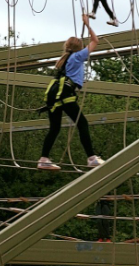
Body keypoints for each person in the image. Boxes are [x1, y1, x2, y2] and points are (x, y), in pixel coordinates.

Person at [38, 15, 105, 171]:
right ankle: (91, 157)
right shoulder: (77, 57)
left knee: (55, 128)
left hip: (55, 97)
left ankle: (43, 159)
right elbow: (95, 41)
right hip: (66, 95)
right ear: (79, 49)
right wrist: (87, 25)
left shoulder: (64, 59)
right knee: (82, 123)